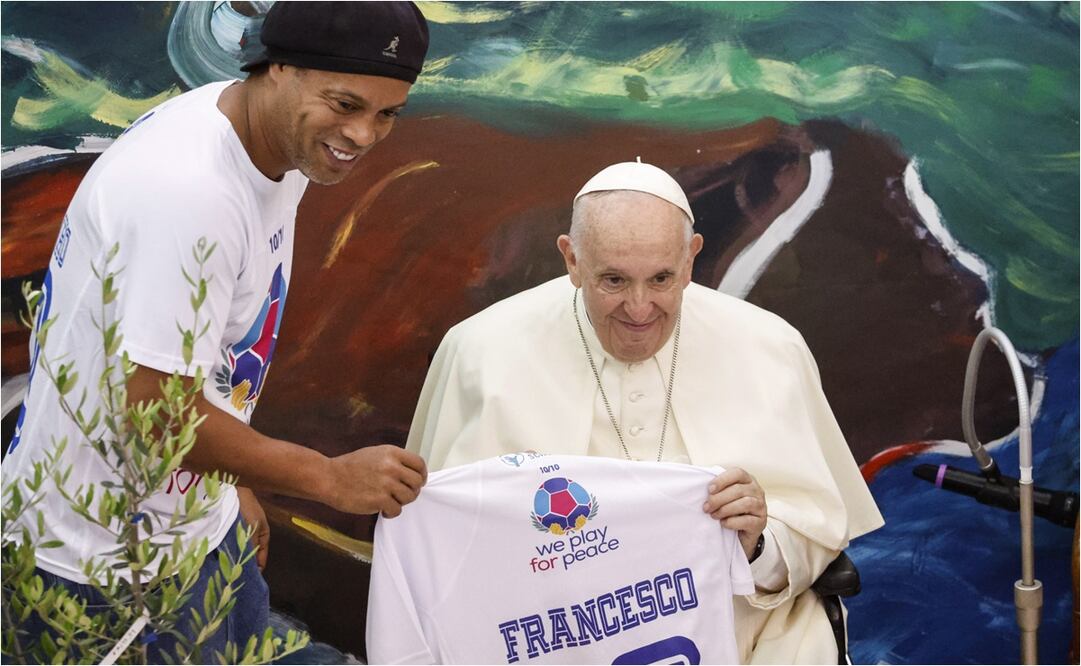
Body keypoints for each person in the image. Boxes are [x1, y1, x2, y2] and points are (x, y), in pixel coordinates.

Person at [4, 2, 430, 659]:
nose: (365, 134)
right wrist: (324, 477)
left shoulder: (270, 142)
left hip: (193, 533)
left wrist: (231, 485)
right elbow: (150, 414)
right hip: (105, 574)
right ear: (278, 66)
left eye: (386, 113)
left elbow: (199, 350)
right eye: (345, 103)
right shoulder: (188, 192)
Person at [406, 160, 884, 663]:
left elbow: (815, 538)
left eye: (661, 279)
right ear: (571, 259)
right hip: (555, 643)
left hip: (744, 638)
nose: (639, 309)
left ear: (691, 259)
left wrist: (757, 544)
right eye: (612, 280)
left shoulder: (770, 347)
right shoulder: (479, 351)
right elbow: (445, 555)